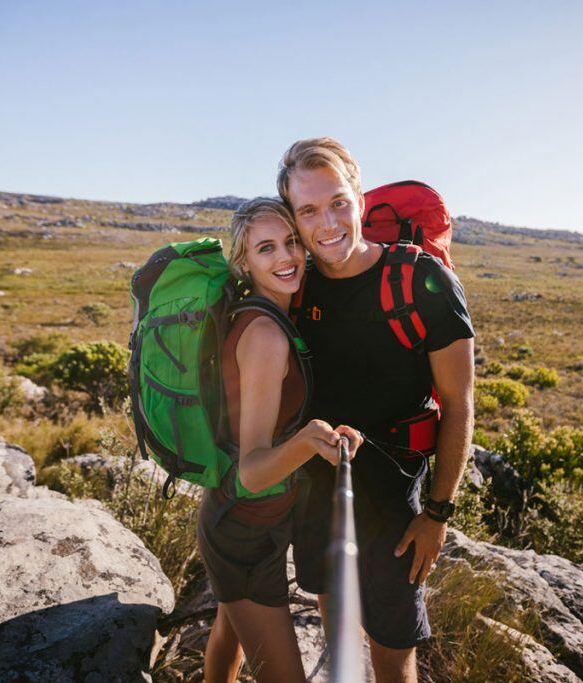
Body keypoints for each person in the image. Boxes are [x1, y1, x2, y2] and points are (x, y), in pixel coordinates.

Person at [278, 139, 475, 682]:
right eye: (309, 210)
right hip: (314, 494)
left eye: (338, 201)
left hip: (396, 509)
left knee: (392, 652)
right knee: (334, 620)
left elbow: (459, 403)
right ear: (294, 217)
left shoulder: (423, 281)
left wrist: (436, 515)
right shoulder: (295, 284)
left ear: (360, 197)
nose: (328, 223)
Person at [196, 197, 362, 683]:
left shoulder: (268, 316)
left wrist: (320, 433)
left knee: (230, 635)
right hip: (242, 532)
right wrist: (309, 441)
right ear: (244, 263)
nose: (287, 257)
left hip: (254, 522)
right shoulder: (266, 334)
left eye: (291, 242)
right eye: (266, 248)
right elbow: (251, 469)